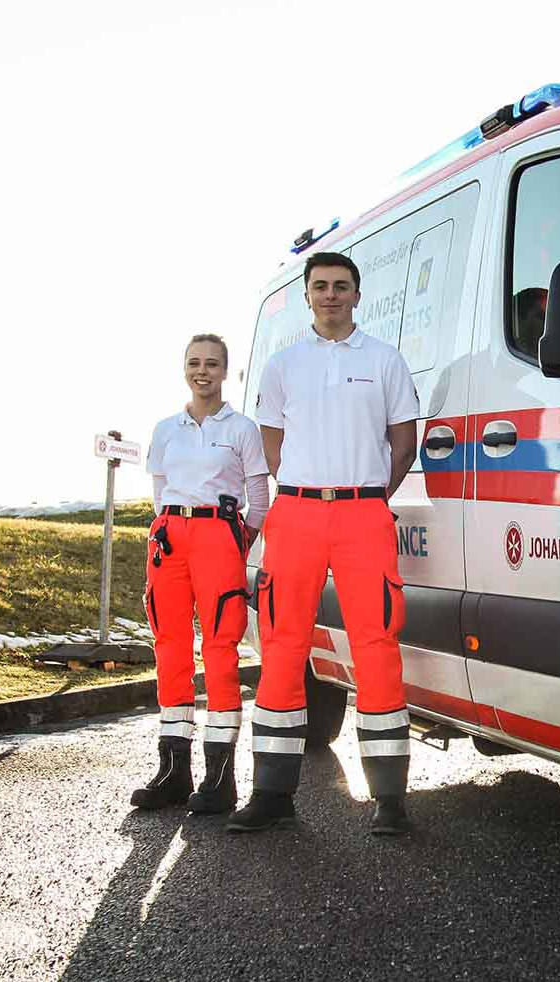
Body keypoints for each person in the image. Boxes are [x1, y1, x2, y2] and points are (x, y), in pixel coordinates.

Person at [228, 251, 420, 836]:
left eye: (341, 286)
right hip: (297, 515)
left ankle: (390, 800)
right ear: (308, 296)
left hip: (364, 514)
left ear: (357, 295)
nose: (330, 294)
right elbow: (271, 444)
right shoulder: (284, 365)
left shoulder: (384, 360)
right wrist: (306, 488)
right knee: (283, 644)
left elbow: (403, 443)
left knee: (376, 645)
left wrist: (366, 494)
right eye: (320, 286)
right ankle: (271, 794)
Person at [133, 333, 269, 814]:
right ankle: (173, 772)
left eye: (212, 363)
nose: (202, 371)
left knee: (219, 647)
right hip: (170, 538)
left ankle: (219, 779)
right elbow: (160, 491)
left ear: (225, 371)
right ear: (184, 369)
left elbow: (259, 497)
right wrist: (173, 528)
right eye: (194, 363)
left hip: (220, 535)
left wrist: (237, 541)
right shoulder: (166, 429)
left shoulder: (242, 429)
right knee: (169, 645)